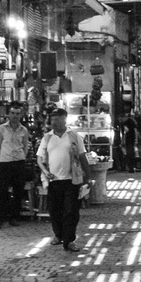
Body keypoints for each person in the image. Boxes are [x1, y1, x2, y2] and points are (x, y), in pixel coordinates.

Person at [37, 108, 91, 252]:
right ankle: (58, 235)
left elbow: (82, 157)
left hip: (71, 179)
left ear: (64, 119)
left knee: (71, 211)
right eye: (52, 119)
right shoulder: (47, 137)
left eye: (56, 119)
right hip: (53, 180)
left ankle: (69, 240)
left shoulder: (74, 136)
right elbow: (40, 159)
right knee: (55, 210)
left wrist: (88, 177)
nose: (53, 122)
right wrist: (45, 171)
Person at [0, 104, 30, 230]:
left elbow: (25, 146)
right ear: (9, 114)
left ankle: (14, 217)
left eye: (17, 113)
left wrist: (22, 157)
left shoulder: (23, 130)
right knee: (2, 191)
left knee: (18, 191)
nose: (15, 116)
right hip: (5, 162)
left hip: (19, 162)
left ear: (21, 115)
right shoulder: (1, 129)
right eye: (13, 113)